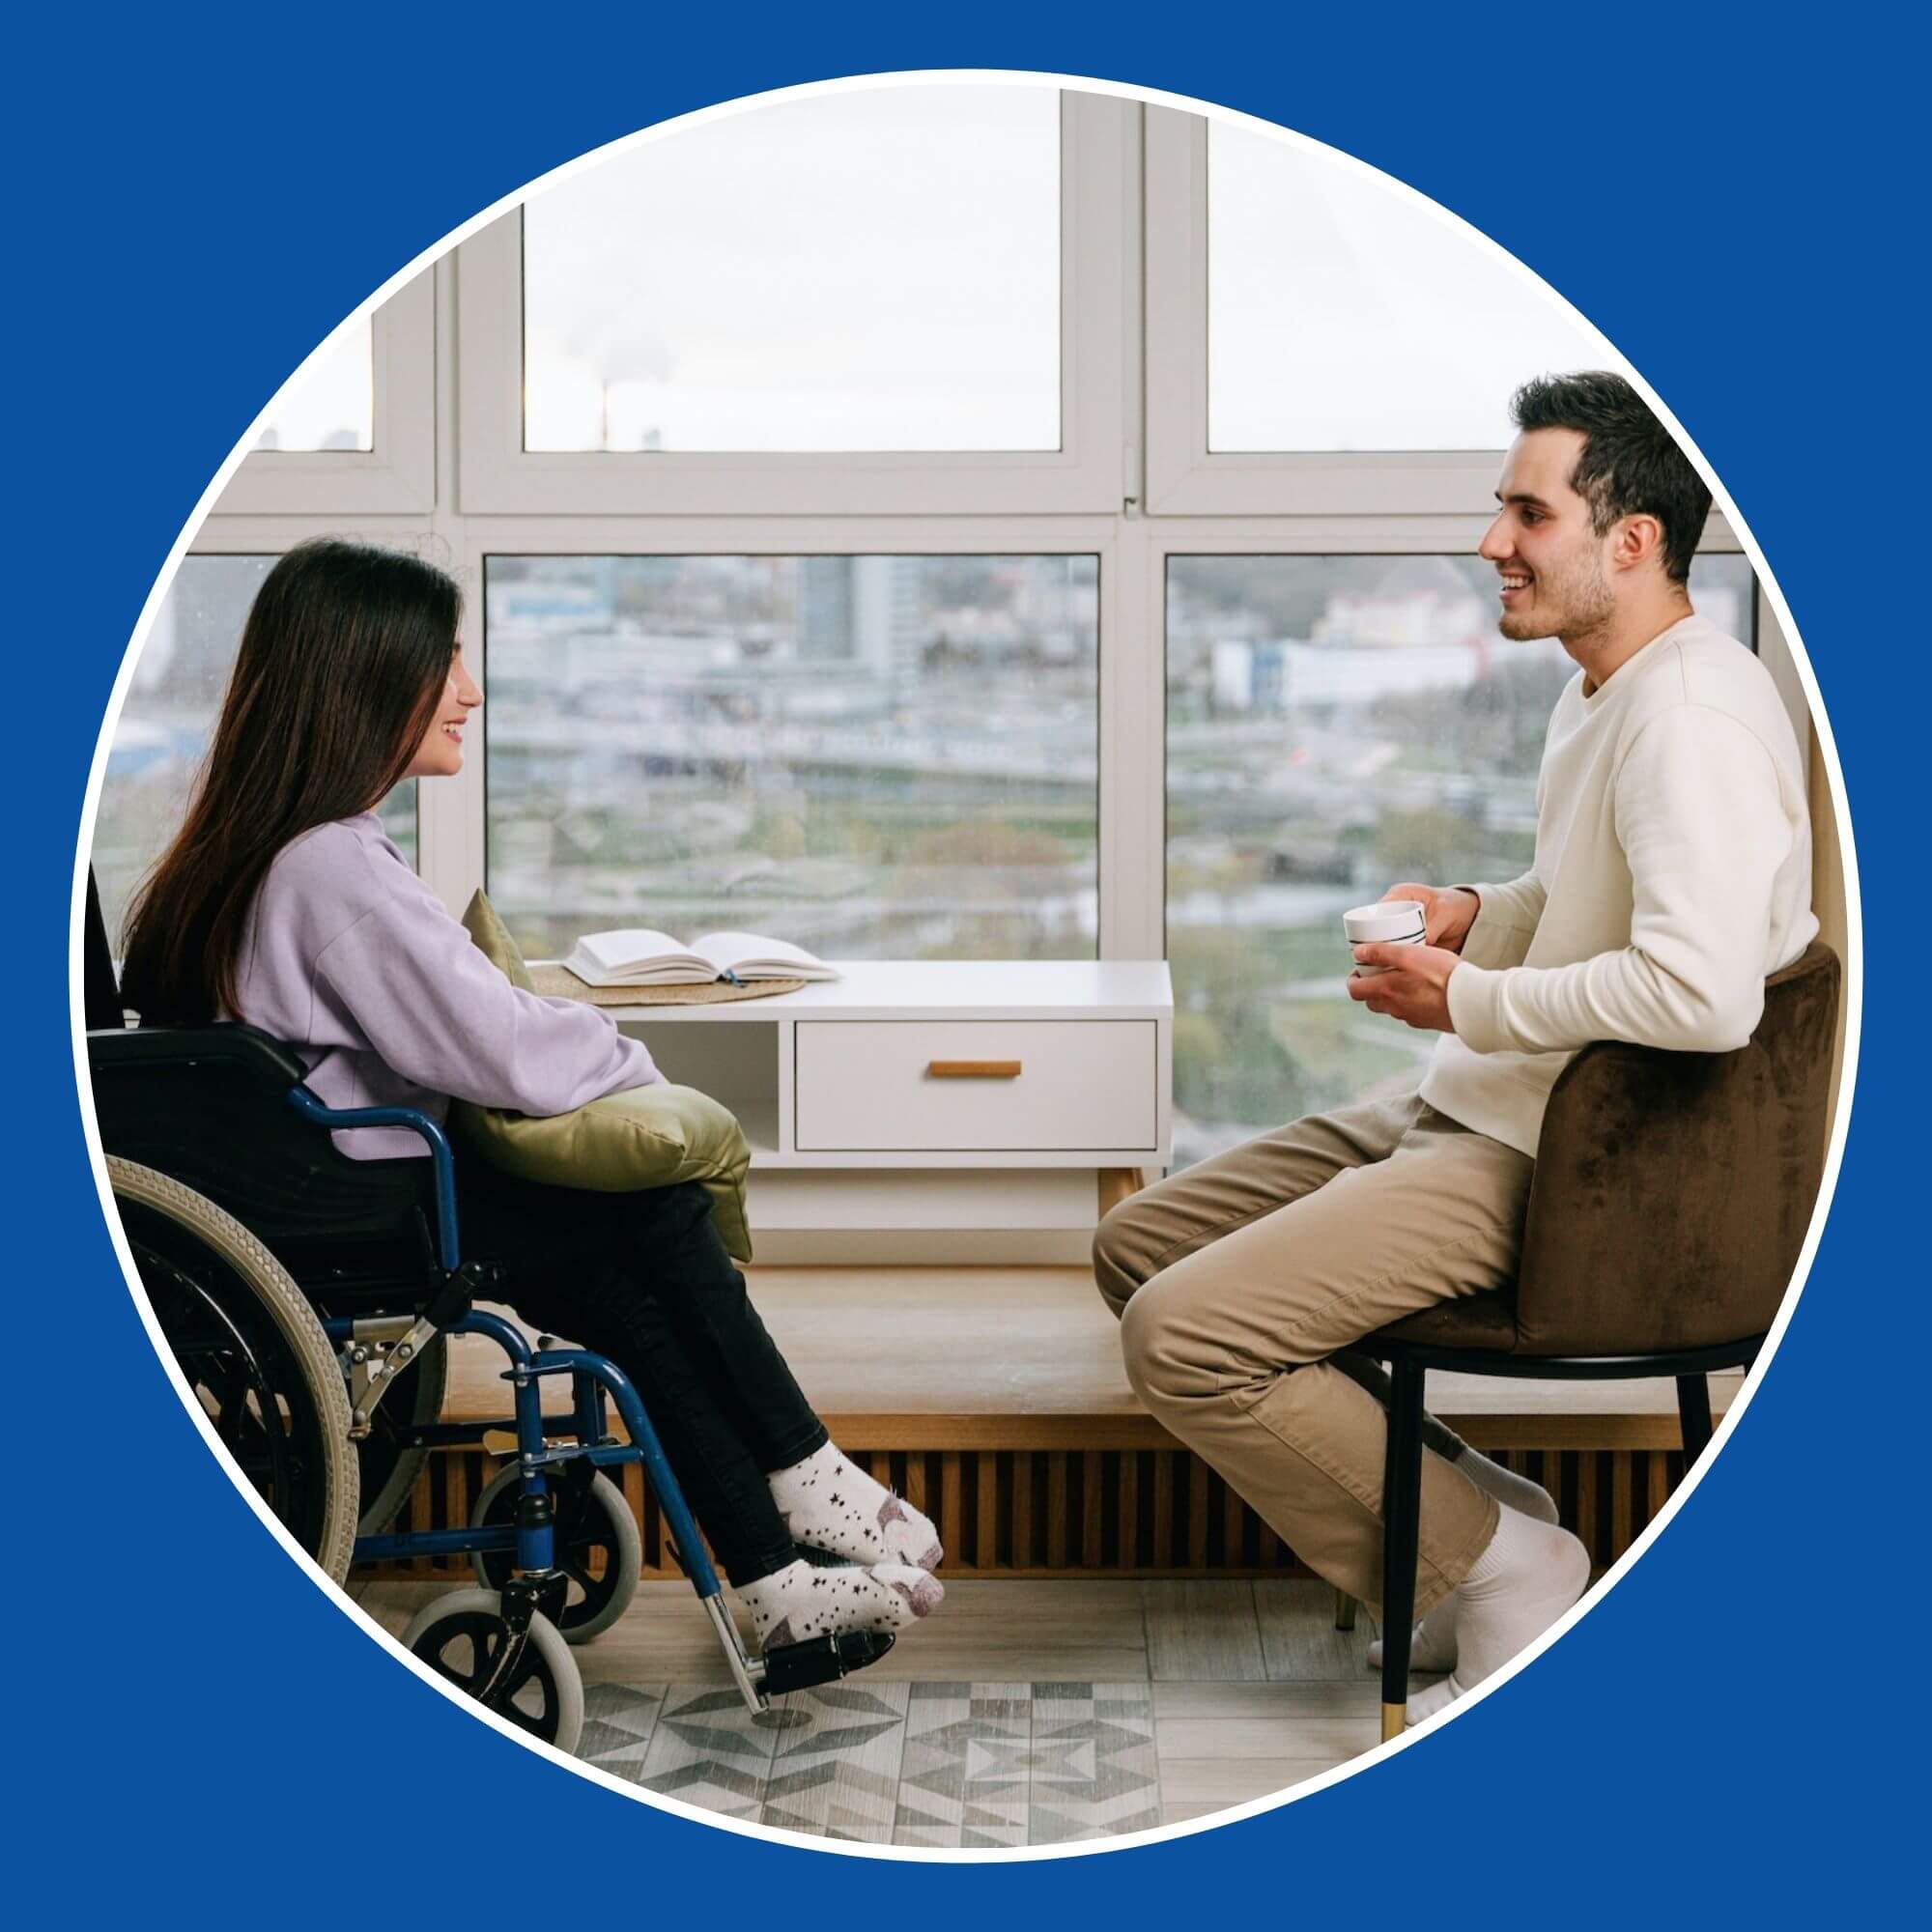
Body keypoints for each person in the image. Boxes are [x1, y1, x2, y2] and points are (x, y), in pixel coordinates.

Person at [1095, 371, 1816, 1724]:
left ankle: (1501, 1569)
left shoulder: (1692, 719)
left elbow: (1703, 995)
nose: (1492, 542)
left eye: (1525, 512)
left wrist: (1464, 1002)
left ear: (1633, 539)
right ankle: (1476, 1513)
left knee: (1183, 1338)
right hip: (1496, 1093)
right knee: (1142, 1245)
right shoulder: (1610, 689)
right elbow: (1591, 899)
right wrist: (1478, 918)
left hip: (1577, 1154)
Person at [119, 538, 945, 1653]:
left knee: (626, 1283)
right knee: (654, 1208)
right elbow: (493, 1047)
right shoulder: (332, 869)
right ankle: (805, 1480)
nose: (469, 690)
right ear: (366, 680)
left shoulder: (266, 849)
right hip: (369, 1198)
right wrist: (625, 1059)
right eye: (444, 663)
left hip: (331, 1184)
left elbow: (454, 1024)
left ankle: (769, 1566)